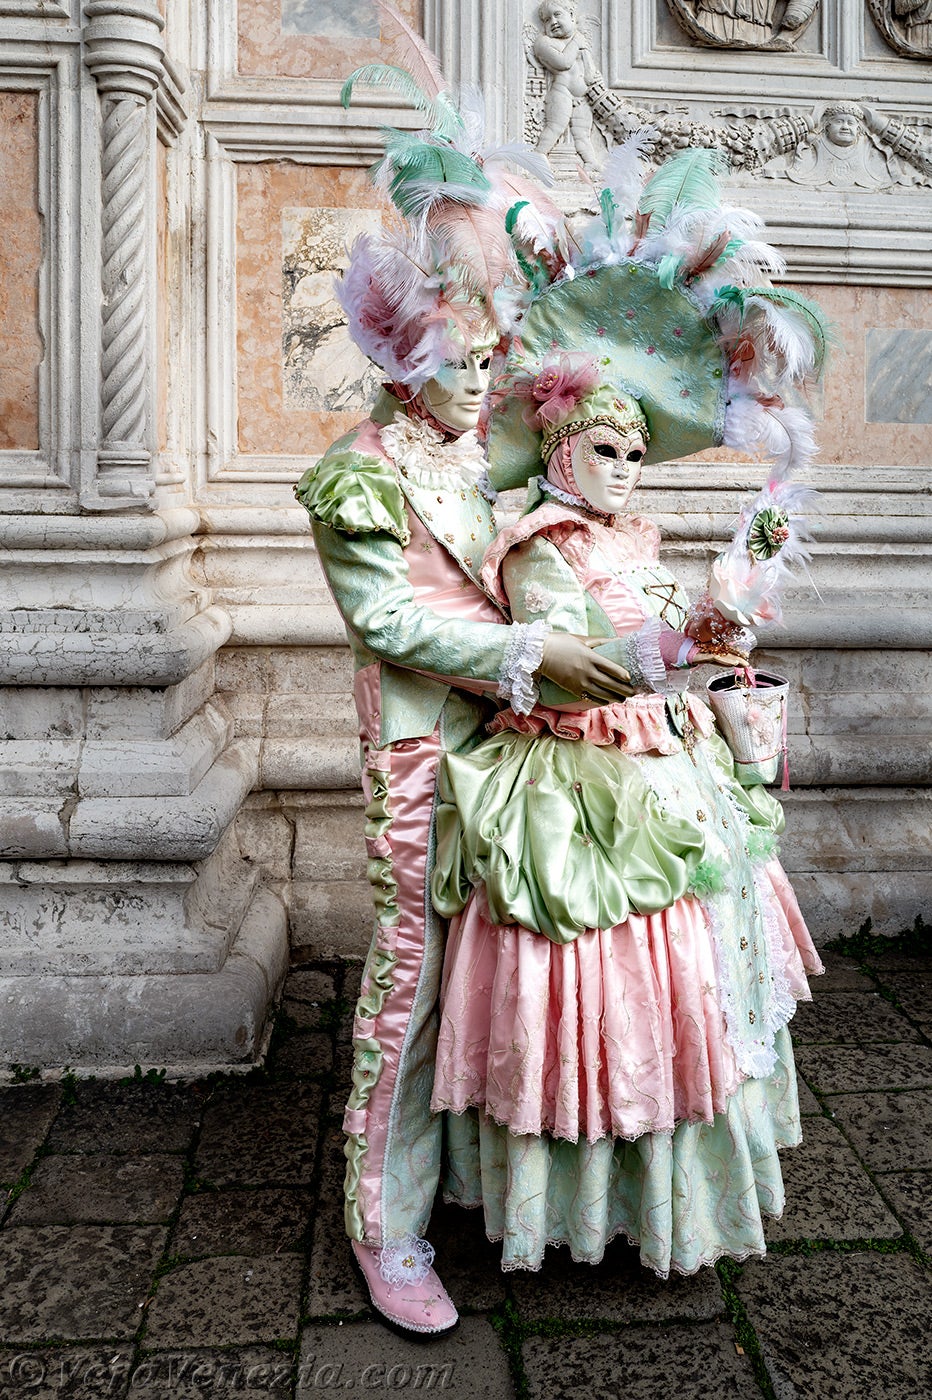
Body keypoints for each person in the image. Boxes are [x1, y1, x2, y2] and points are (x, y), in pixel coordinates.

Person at [425, 150, 830, 1281]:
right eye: (604, 448)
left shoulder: (629, 539)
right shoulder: (534, 546)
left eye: (637, 452)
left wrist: (726, 610)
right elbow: (576, 668)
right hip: (575, 786)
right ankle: (576, 1194)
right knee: (596, 974)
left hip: (662, 766)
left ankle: (662, 1190)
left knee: (689, 979)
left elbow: (674, 650)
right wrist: (673, 644)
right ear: (558, 445)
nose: (623, 469)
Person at [294, 63, 633, 1331]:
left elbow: (568, 445)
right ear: (403, 360)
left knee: (495, 974)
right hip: (421, 762)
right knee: (409, 986)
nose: (488, 371)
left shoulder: (469, 447)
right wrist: (530, 655)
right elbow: (386, 621)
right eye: (467, 356)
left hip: (507, 751)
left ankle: (473, 1184)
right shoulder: (356, 473)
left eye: (490, 351)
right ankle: (383, 1225)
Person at [533, 1, 601, 170]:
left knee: (583, 133)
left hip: (582, 97)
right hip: (561, 92)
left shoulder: (579, 41)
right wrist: (576, 43)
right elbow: (563, 63)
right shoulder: (545, 42)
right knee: (555, 126)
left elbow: (589, 69)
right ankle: (539, 153)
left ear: (571, 16)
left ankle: (591, 162)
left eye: (557, 15)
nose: (553, 22)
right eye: (547, 20)